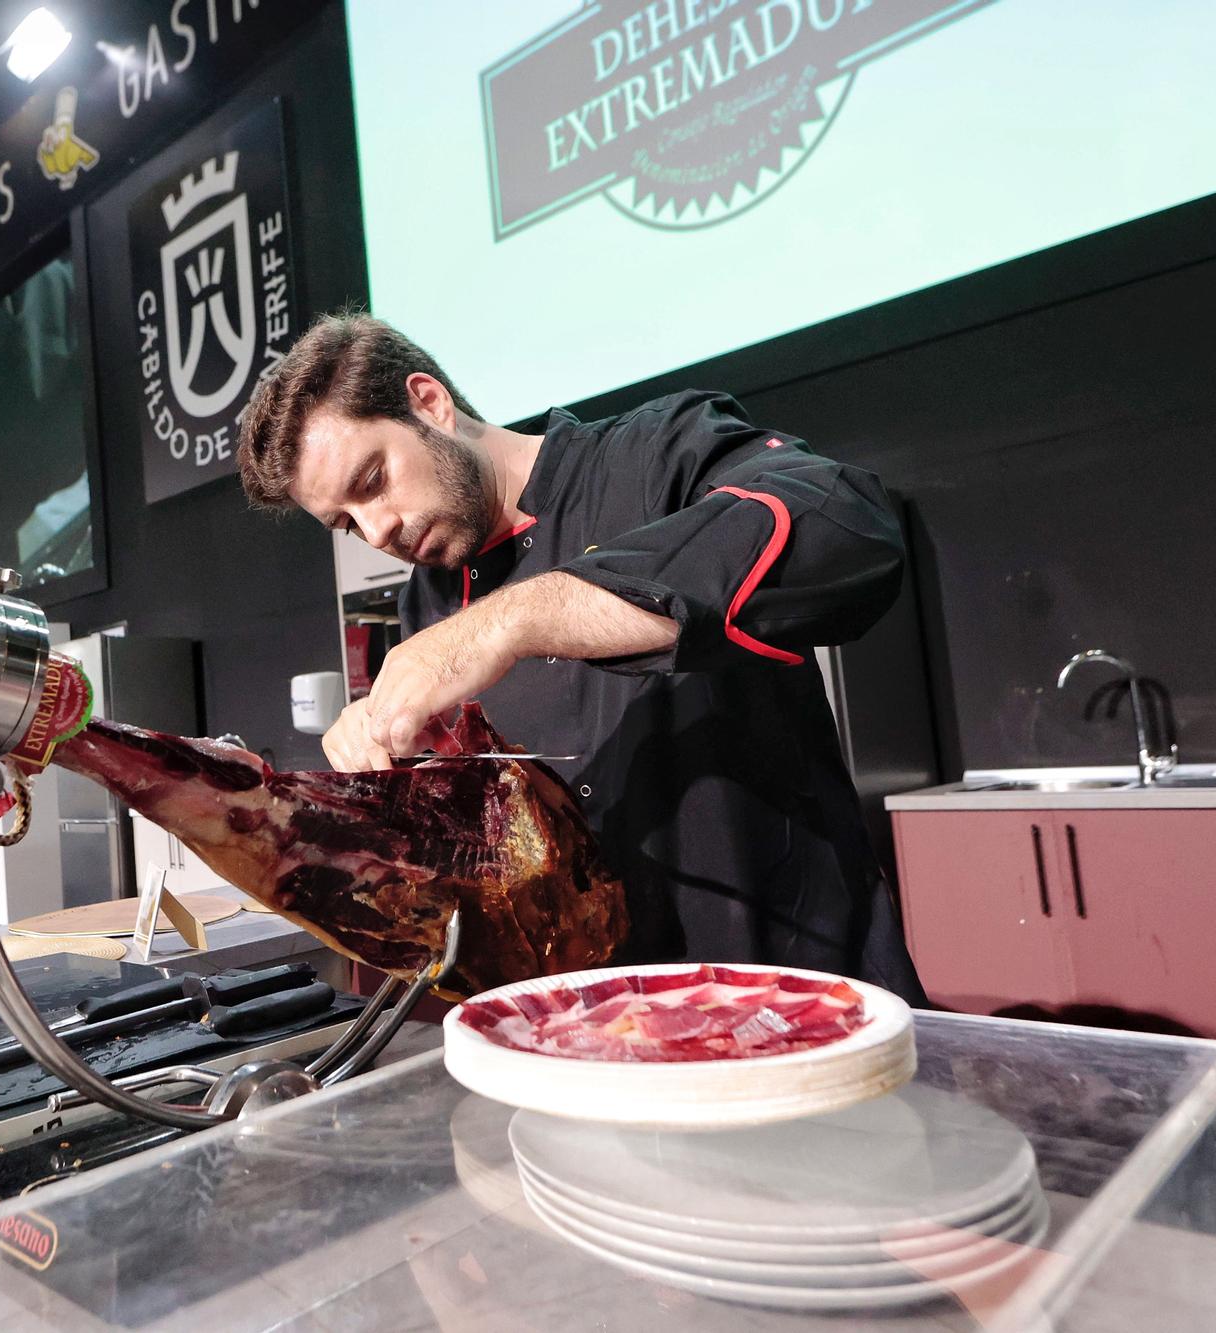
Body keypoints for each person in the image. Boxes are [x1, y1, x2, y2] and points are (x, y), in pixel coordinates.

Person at [236, 314, 923, 1000]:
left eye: (374, 479)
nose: (378, 528)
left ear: (430, 402)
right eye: (346, 522)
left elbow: (849, 528)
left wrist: (516, 619)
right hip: (607, 1029)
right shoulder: (429, 600)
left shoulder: (653, 456)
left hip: (802, 994)